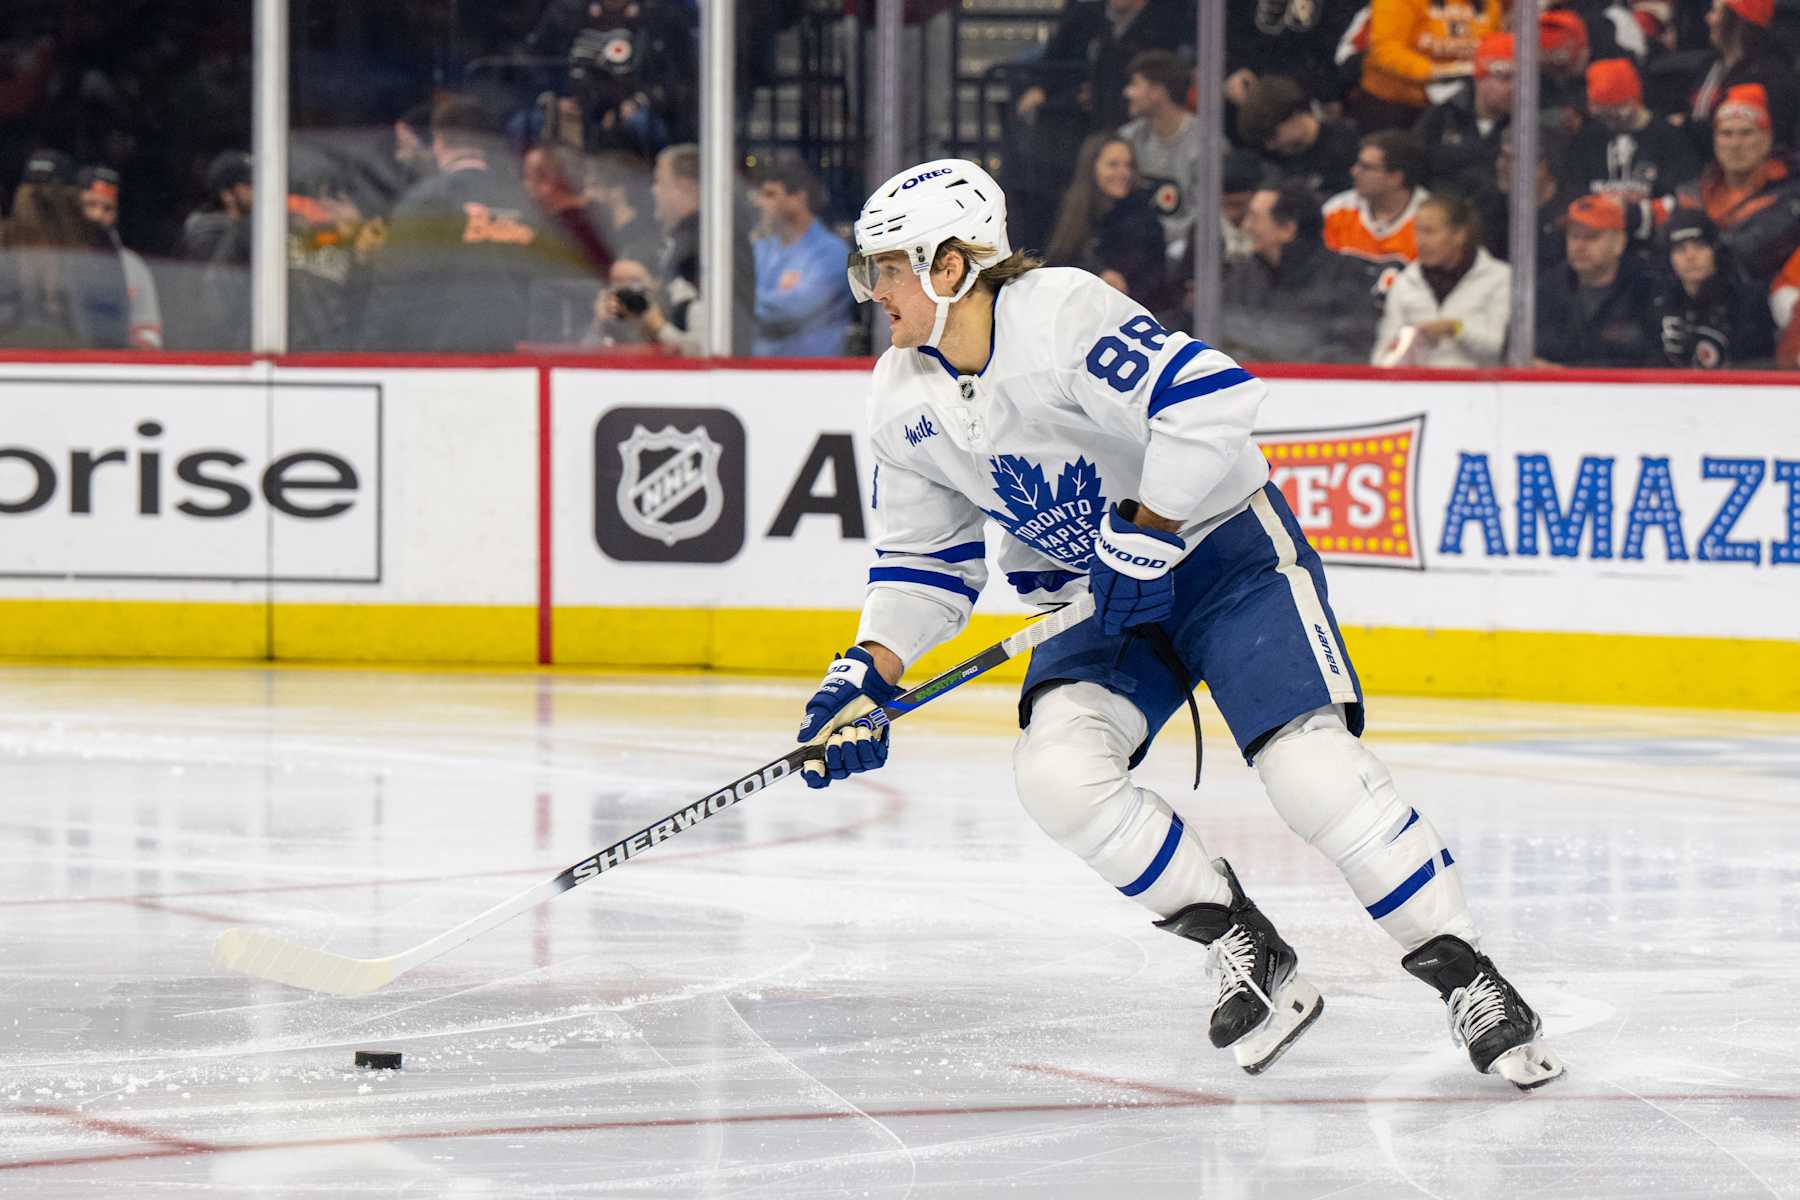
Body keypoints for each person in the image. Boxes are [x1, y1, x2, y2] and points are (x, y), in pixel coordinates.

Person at [802, 156, 1564, 1090]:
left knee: (1311, 774)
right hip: (1093, 600)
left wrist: (1152, 532)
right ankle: (1248, 946)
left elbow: (1214, 400)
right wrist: (865, 672)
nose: (873, 288)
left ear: (951, 266)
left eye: (887, 267)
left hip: (1220, 562)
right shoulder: (898, 393)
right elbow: (925, 563)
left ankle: (1470, 979)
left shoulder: (1062, 312)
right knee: (1057, 774)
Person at [359, 96, 547, 352]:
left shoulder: (424, 202)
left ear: (438, 140)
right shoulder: (521, 201)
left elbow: (395, 290)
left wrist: (372, 352)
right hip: (511, 356)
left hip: (440, 359)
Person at [605, 142, 756, 355]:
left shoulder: (712, 242)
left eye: (659, 181)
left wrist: (656, 322)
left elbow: (709, 337)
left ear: (685, 186)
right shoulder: (685, 239)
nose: (653, 190)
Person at [1216, 181, 1382, 364]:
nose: (1246, 226)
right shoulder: (1244, 276)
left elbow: (1352, 348)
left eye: (1255, 218)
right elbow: (1226, 336)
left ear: (1288, 229)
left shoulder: (1344, 275)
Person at [1664, 84, 1800, 286]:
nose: (1735, 144)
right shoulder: (1693, 191)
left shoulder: (1790, 194)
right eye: (1726, 134)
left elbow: (1751, 250)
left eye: (1746, 133)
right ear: (1715, 141)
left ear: (1767, 139)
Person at [1373, 192, 1511, 367]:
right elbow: (1382, 357)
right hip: (1417, 388)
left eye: (1429, 232)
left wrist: (1456, 329)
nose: (1420, 241)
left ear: (1459, 235)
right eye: (1417, 231)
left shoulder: (1499, 278)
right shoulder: (1405, 282)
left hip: (1480, 388)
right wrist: (1407, 343)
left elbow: (1500, 349)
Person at [1045, 133, 1167, 309]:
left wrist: (1121, 288)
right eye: (1113, 165)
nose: (1123, 173)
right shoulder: (1072, 213)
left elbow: (1156, 279)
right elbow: (1057, 263)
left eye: (1128, 165)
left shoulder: (1146, 218)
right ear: (1091, 168)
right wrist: (1098, 276)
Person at [1568, 58, 1704, 217]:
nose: (1610, 117)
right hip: (1596, 231)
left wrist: (1633, 212)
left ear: (1634, 100)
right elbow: (1573, 194)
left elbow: (1687, 202)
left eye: (1617, 109)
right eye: (1601, 112)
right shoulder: (1587, 140)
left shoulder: (1669, 138)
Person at [1535, 193, 1658, 366]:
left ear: (1619, 243)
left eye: (1591, 237)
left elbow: (1654, 362)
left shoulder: (1648, 289)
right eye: (1574, 236)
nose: (1579, 246)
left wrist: (1568, 374)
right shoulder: (1547, 287)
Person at [750, 155, 851, 357]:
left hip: (812, 376)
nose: (760, 203)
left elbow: (792, 312)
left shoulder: (831, 253)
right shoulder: (763, 248)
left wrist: (736, 307)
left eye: (770, 194)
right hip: (760, 372)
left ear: (798, 198)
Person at [1646, 207, 1774, 367]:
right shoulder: (1656, 303)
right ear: (1669, 259)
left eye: (1699, 246)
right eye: (1680, 249)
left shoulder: (1747, 301)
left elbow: (1759, 364)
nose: (1690, 257)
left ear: (1716, 251)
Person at [1357, 0, 1506, 133]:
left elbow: (1494, 49)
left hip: (1457, 108)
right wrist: (1436, 72)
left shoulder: (1490, 4)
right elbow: (1384, 50)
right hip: (1392, 106)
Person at [1119, 51, 1203, 264]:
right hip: (1134, 246)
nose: (1127, 92)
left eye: (1135, 84)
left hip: (1186, 254)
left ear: (1157, 92)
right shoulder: (1127, 139)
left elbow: (1204, 216)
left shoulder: (1206, 143)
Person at [1684, 0, 1799, 157]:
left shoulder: (1773, 76)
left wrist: (1687, 126)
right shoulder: (1709, 65)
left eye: (1715, 11)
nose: (1707, 18)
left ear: (1737, 20)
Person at [1414, 33, 1513, 194]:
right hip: (1445, 209)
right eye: (1505, 78)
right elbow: (1416, 168)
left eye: (1521, 80)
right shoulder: (1442, 116)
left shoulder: (1529, 126)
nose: (1514, 88)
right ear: (1480, 78)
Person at [77, 165, 162, 349]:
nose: (99, 214)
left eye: (108, 208)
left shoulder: (134, 267)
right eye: (90, 205)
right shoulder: (58, 258)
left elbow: (149, 335)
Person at [1476, 123, 1580, 271]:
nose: (1500, 165)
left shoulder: (1575, 209)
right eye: (1501, 156)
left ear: (1543, 167)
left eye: (1511, 160)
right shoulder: (1488, 204)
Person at [1237, 75, 1361, 198]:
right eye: (1264, 140)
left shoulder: (1348, 142)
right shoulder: (1275, 160)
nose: (1271, 146)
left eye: (1273, 135)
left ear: (1294, 114)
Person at [1323, 130, 1430, 267]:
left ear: (1395, 178)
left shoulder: (1430, 220)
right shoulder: (1337, 210)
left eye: (1365, 167)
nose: (1354, 171)